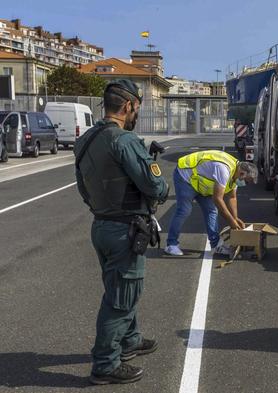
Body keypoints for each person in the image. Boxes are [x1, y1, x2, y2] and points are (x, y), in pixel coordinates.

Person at [74, 79, 169, 384]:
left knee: (120, 289)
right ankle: (105, 363)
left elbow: (83, 187)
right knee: (121, 297)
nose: (135, 114)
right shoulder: (124, 140)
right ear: (128, 106)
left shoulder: (85, 139)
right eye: (136, 108)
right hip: (124, 230)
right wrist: (161, 185)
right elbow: (154, 186)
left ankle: (129, 341)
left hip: (101, 224)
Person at [164, 150, 258, 256]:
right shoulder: (224, 169)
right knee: (184, 210)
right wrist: (231, 221)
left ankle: (216, 245)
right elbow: (218, 199)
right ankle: (171, 245)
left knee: (211, 211)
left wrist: (235, 218)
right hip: (186, 176)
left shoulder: (235, 173)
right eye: (247, 180)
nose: (245, 183)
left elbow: (232, 197)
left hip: (201, 183)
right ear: (242, 173)